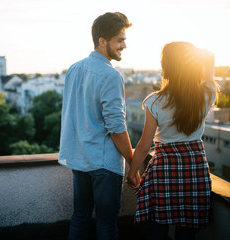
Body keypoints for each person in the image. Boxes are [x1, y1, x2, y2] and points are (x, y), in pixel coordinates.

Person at [126, 42, 219, 240]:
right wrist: (206, 58)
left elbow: (143, 145)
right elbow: (209, 75)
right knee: (187, 231)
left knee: (157, 228)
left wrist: (132, 173)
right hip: (195, 170)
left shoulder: (155, 101)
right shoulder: (206, 95)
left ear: (166, 67)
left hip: (164, 170)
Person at [58, 12, 137, 240]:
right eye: (119, 40)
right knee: (107, 225)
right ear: (102, 41)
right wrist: (133, 162)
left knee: (80, 217)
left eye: (124, 40)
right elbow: (116, 127)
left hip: (80, 159)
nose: (124, 45)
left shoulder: (73, 69)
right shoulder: (110, 75)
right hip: (103, 163)